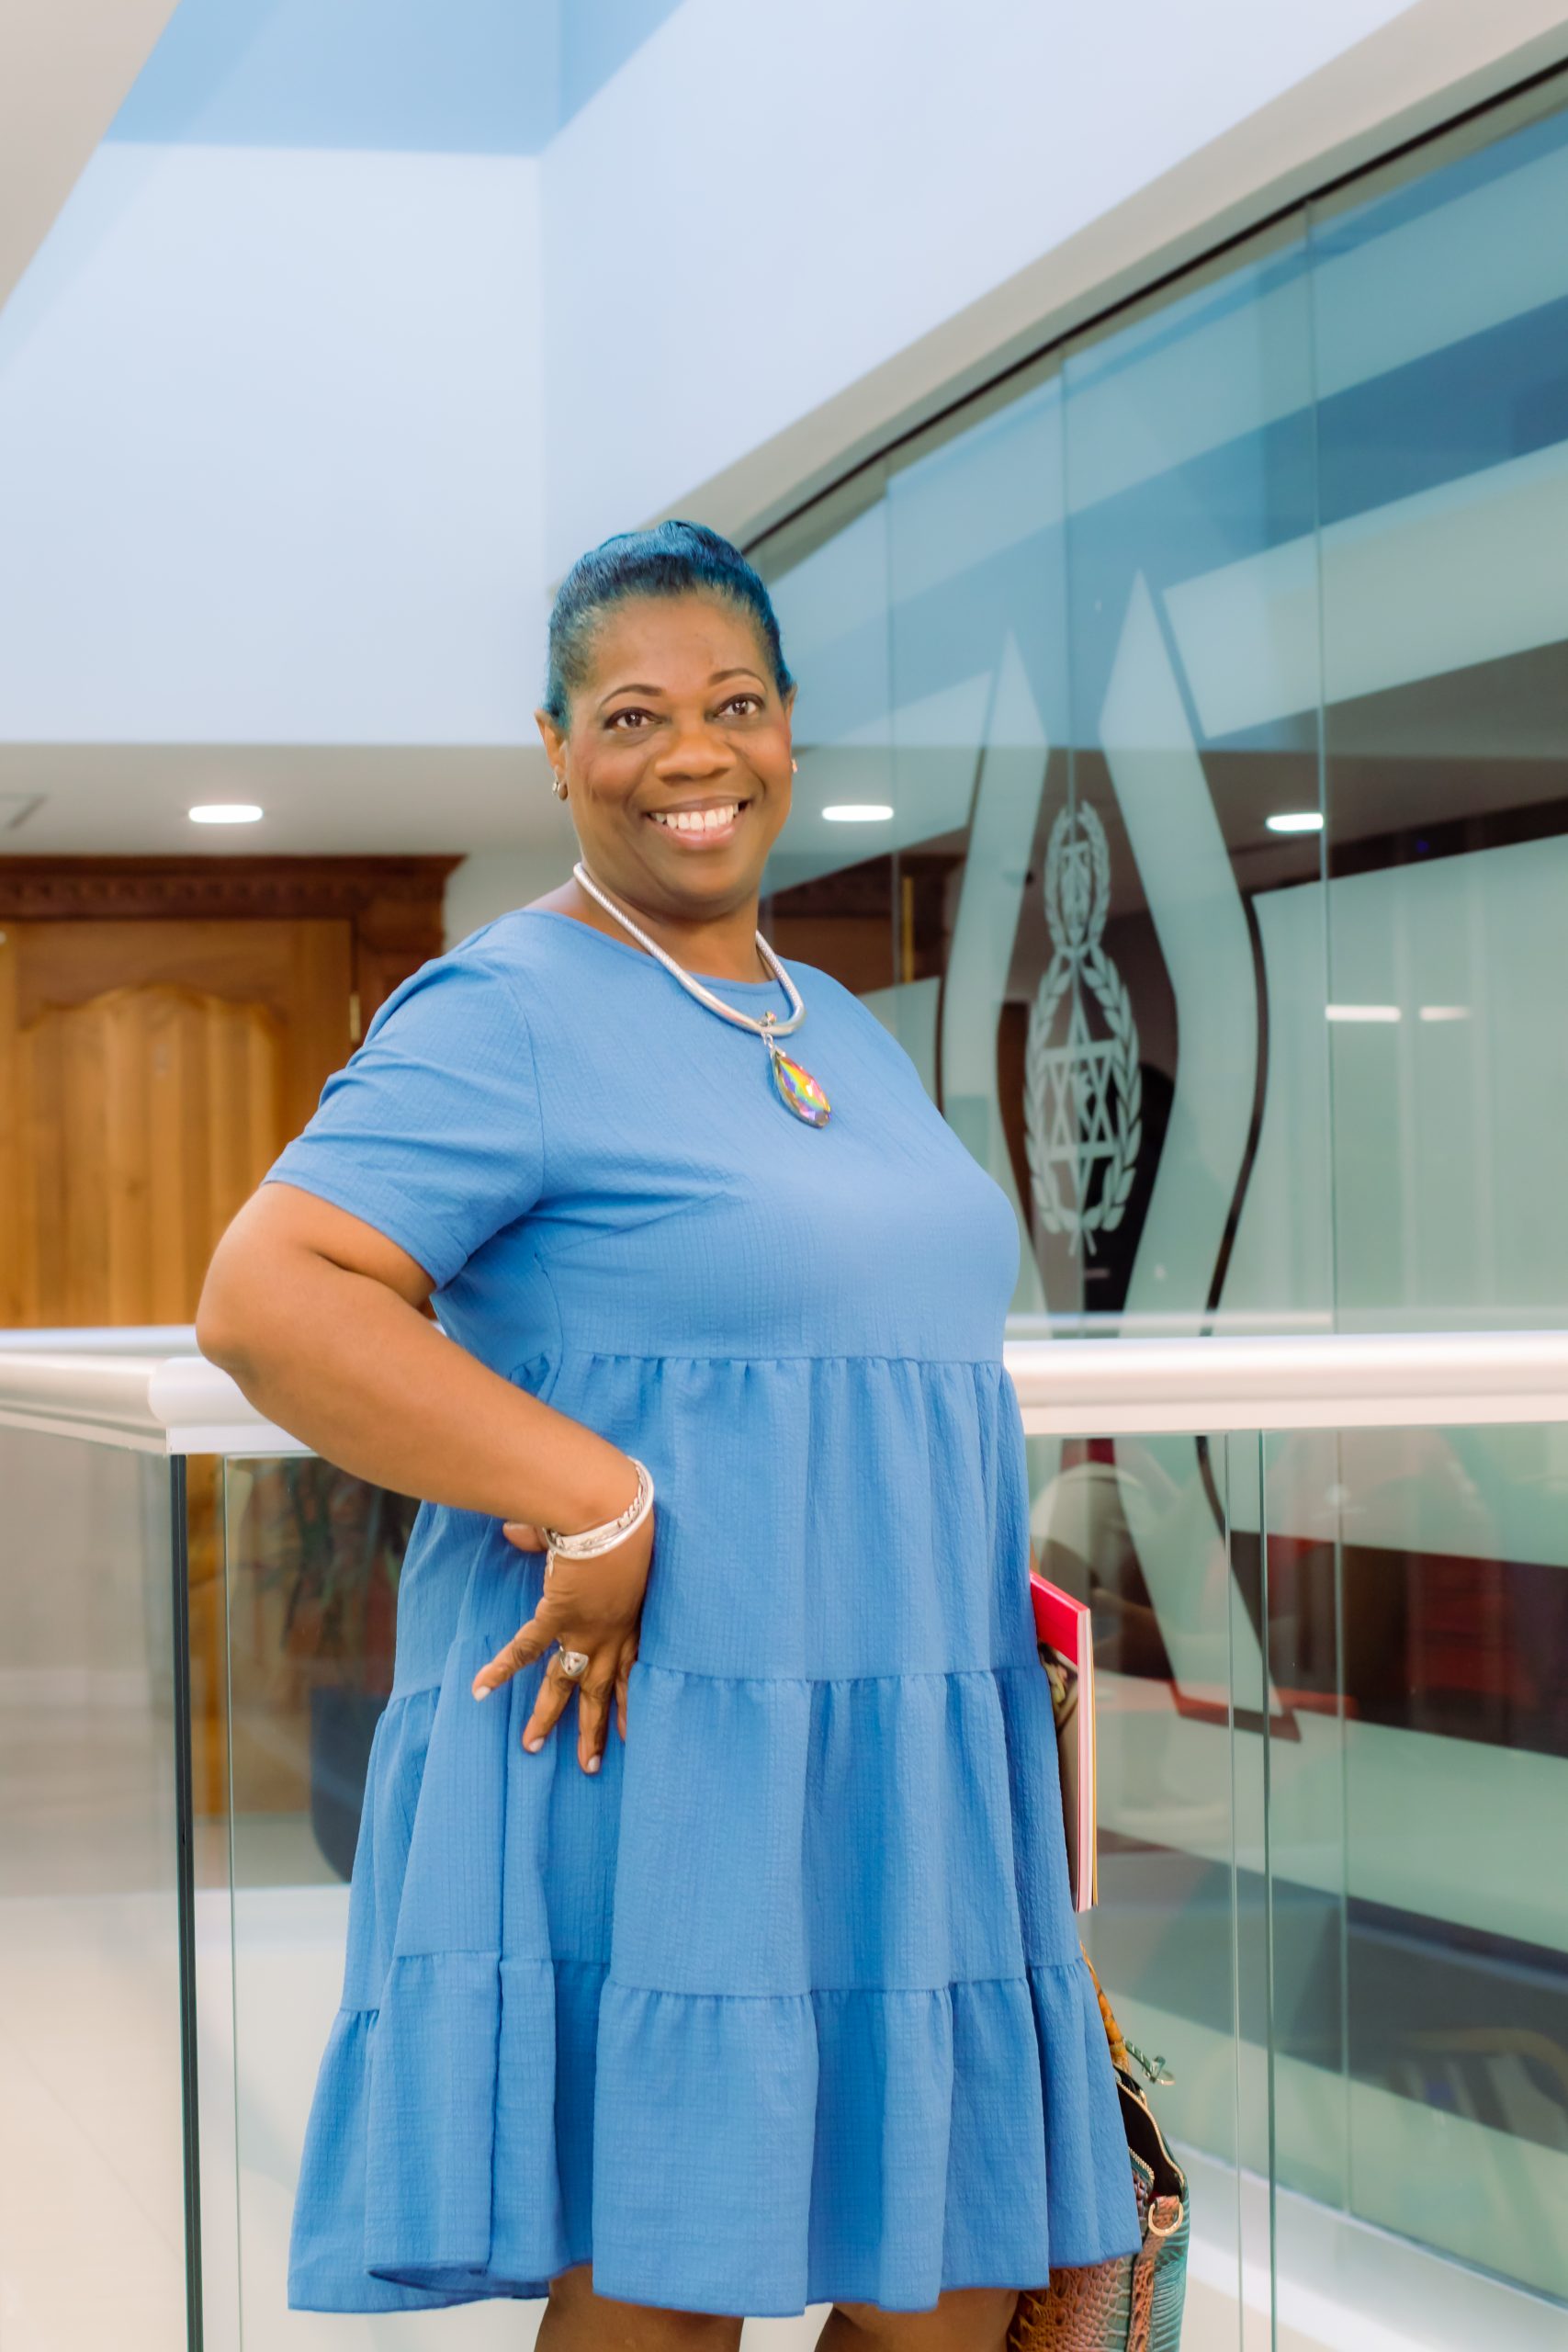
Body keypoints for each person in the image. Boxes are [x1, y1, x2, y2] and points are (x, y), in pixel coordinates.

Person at [197, 520, 1139, 2350]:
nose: (690, 752)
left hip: (907, 1735)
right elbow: (271, 1296)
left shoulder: (837, 1025)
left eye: (733, 704)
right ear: (556, 749)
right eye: (631, 715)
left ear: (787, 729)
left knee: (950, 2285)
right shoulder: (505, 1009)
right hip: (673, 1730)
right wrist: (594, 1492)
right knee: (670, 2280)